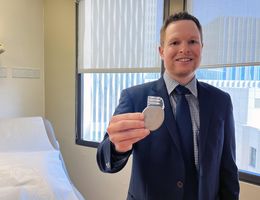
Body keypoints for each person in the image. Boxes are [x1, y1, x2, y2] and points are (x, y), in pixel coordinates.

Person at [96, 11, 240, 200]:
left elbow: (228, 168)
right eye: (174, 42)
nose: (184, 49)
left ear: (202, 48)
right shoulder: (134, 97)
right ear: (161, 51)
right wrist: (116, 147)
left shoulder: (221, 101)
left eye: (192, 42)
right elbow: (106, 162)